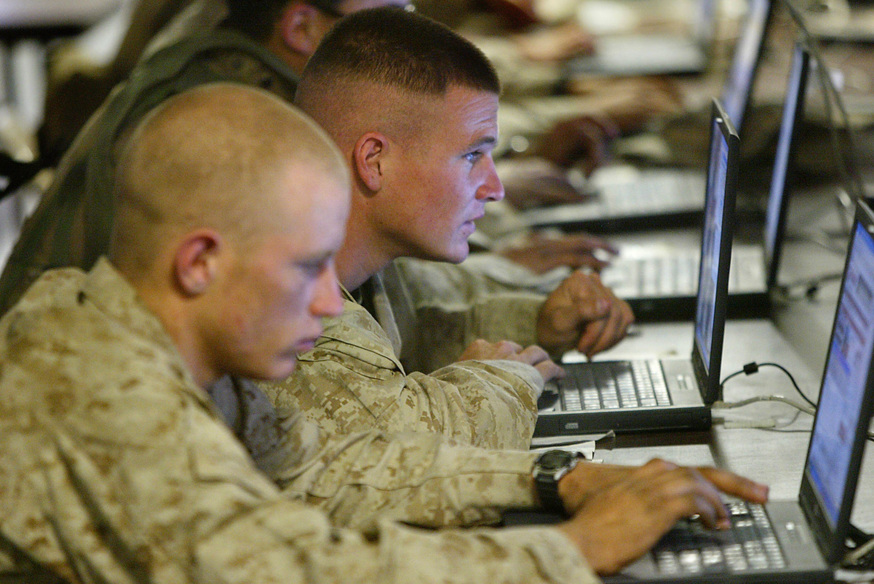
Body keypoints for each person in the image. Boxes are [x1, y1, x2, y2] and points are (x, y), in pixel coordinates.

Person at [0, 82, 770, 584]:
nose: (331, 307)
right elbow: (292, 572)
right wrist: (575, 551)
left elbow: (338, 474)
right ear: (201, 261)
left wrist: (557, 479)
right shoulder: (104, 391)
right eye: (305, 270)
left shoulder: (157, 340)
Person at [262, 8, 634, 446]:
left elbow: (418, 331)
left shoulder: (362, 263)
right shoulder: (287, 299)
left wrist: (541, 324)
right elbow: (391, 456)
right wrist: (498, 383)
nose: (495, 189)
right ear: (374, 162)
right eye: (473, 156)